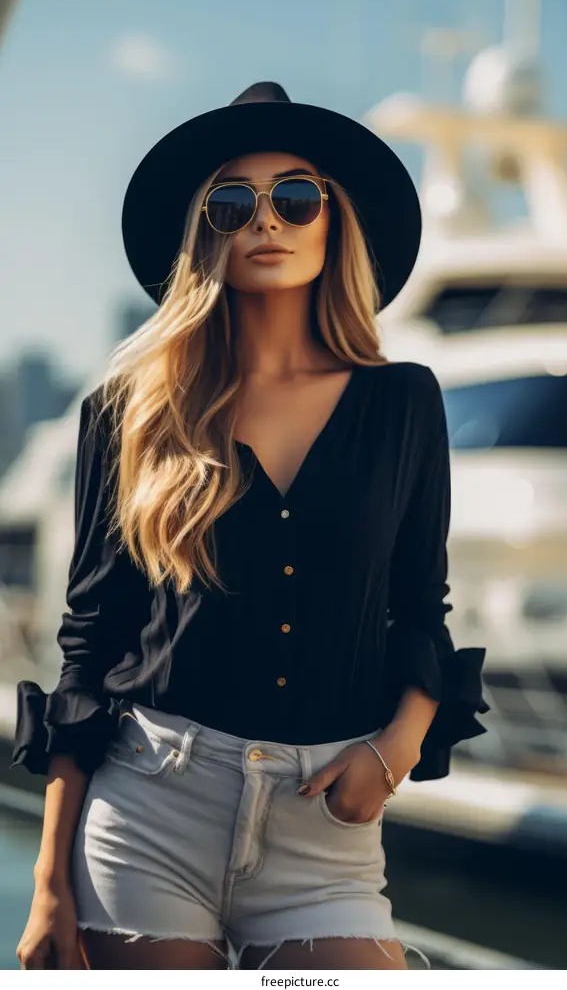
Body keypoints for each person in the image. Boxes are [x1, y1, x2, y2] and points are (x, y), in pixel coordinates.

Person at [13, 82, 489, 972]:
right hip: (151, 808)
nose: (266, 220)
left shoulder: (404, 402)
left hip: (325, 829)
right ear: (206, 232)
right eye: (233, 202)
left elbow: (422, 607)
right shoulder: (130, 412)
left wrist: (393, 752)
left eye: (295, 197)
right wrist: (49, 884)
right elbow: (89, 645)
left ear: (332, 221)